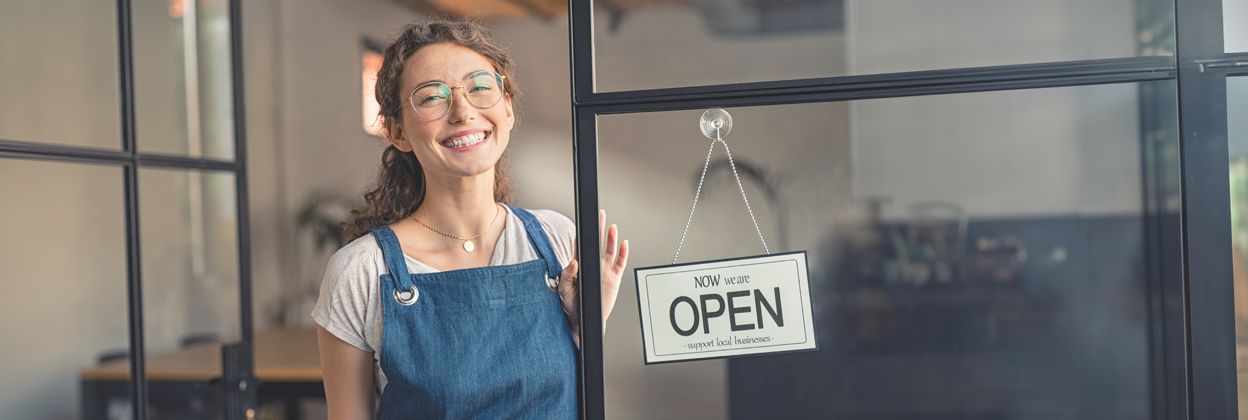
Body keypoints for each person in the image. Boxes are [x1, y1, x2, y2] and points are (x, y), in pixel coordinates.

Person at [312, 19, 629, 419]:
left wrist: (585, 328)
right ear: (397, 132)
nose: (463, 111)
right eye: (431, 97)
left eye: (480, 87)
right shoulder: (361, 271)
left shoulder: (555, 239)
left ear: (508, 108)